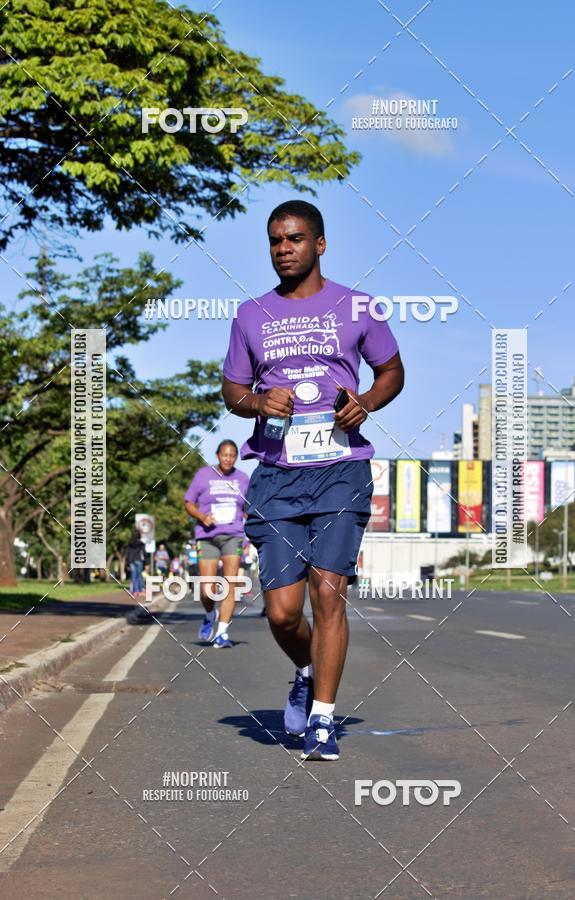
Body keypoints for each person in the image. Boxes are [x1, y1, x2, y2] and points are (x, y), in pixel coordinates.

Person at [222, 200, 404, 760]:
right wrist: (257, 399)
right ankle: (305, 668)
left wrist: (366, 402)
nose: (284, 249)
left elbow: (392, 370)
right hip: (276, 474)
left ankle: (323, 720)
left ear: (319, 244)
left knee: (330, 598)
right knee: (282, 611)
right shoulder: (251, 315)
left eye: (295, 239)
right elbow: (231, 392)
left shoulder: (357, 306)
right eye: (276, 241)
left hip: (341, 472)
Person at [184, 440, 250, 648]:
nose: (228, 459)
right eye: (224, 455)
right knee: (207, 589)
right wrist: (202, 517)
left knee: (230, 584)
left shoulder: (243, 479)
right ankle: (209, 613)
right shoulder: (203, 475)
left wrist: (248, 526)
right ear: (217, 455)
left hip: (233, 535)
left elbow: (249, 508)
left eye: (232, 455)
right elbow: (188, 503)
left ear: (236, 457)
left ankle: (222, 632)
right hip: (207, 535)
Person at [126, 527, 146, 598]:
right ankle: (140, 590)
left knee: (133, 576)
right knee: (139, 575)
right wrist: (146, 562)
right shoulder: (141, 543)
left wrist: (127, 562)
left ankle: (134, 591)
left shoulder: (129, 543)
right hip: (138, 560)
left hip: (131, 560)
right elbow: (144, 553)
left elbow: (127, 553)